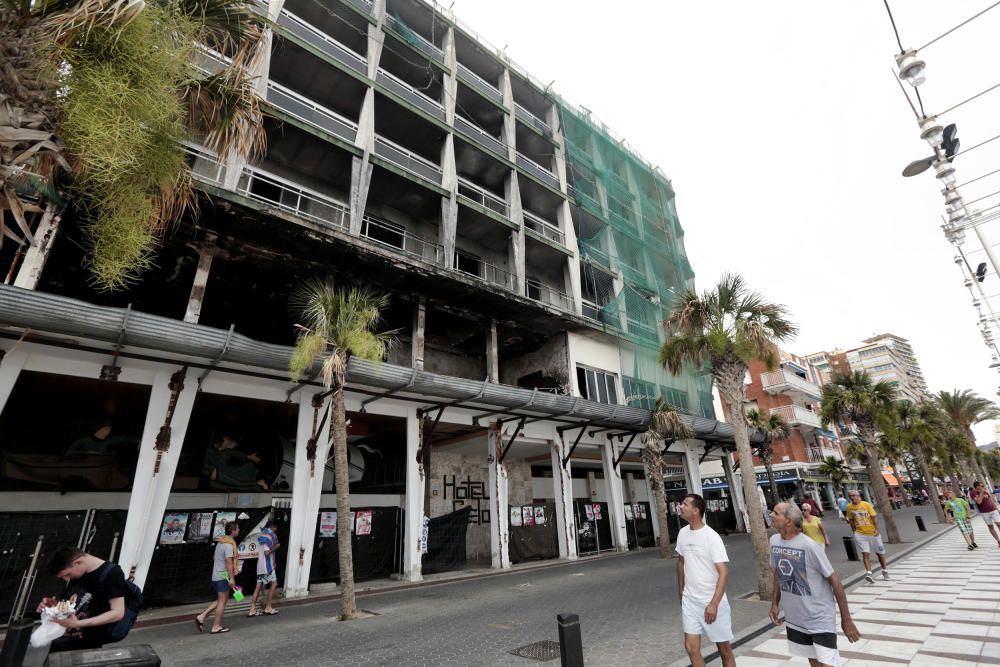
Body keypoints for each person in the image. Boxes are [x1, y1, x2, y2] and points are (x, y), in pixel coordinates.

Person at [769, 502, 861, 667]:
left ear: (788, 521)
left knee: (827, 662)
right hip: (796, 617)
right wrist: (775, 604)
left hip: (819, 617)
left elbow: (835, 581)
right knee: (813, 660)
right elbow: (778, 572)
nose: (771, 515)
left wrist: (846, 619)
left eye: (776, 513)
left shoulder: (810, 546)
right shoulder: (774, 541)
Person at [675, 493, 735, 667]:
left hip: (712, 602)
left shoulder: (712, 537)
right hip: (690, 601)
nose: (681, 506)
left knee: (724, 650)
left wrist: (714, 604)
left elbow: (723, 572)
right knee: (691, 648)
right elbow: (681, 563)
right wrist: (682, 592)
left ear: (695, 510)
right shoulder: (682, 533)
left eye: (685, 504)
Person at [36, 548, 129, 652]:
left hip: (87, 641)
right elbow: (72, 602)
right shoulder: (79, 572)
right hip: (63, 637)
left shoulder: (112, 573)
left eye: (67, 574)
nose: (66, 579)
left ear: (78, 562)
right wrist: (54, 606)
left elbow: (118, 613)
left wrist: (78, 624)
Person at [195, 520, 240, 634]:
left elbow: (215, 558)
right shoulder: (229, 545)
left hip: (216, 575)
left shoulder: (220, 542)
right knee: (222, 602)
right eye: (237, 528)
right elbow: (229, 562)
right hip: (223, 577)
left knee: (221, 600)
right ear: (233, 531)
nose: (239, 530)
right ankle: (216, 626)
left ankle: (202, 616)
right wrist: (232, 578)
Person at [846, 490, 889, 583]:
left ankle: (884, 571)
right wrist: (854, 531)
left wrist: (877, 529)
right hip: (860, 534)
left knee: (880, 554)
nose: (852, 497)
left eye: (853, 495)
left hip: (873, 533)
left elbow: (874, 517)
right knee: (865, 553)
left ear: (858, 496)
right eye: (850, 496)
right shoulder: (849, 507)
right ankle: (869, 573)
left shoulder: (866, 505)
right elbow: (851, 520)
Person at [249, 521, 280, 617]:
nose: (276, 531)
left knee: (258, 587)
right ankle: (268, 607)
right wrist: (275, 547)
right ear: (273, 527)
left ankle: (252, 610)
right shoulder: (269, 537)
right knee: (274, 584)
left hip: (260, 566)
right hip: (268, 566)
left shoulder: (263, 535)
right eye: (276, 528)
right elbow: (267, 553)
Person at [971, 481, 1000, 548]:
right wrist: (981, 493)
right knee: (990, 526)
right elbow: (979, 502)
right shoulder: (973, 493)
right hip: (984, 512)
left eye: (983, 486)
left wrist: (997, 509)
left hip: (993, 510)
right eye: (981, 486)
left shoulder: (985, 491)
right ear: (976, 487)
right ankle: (998, 541)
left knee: (999, 524)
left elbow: (991, 501)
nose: (982, 487)